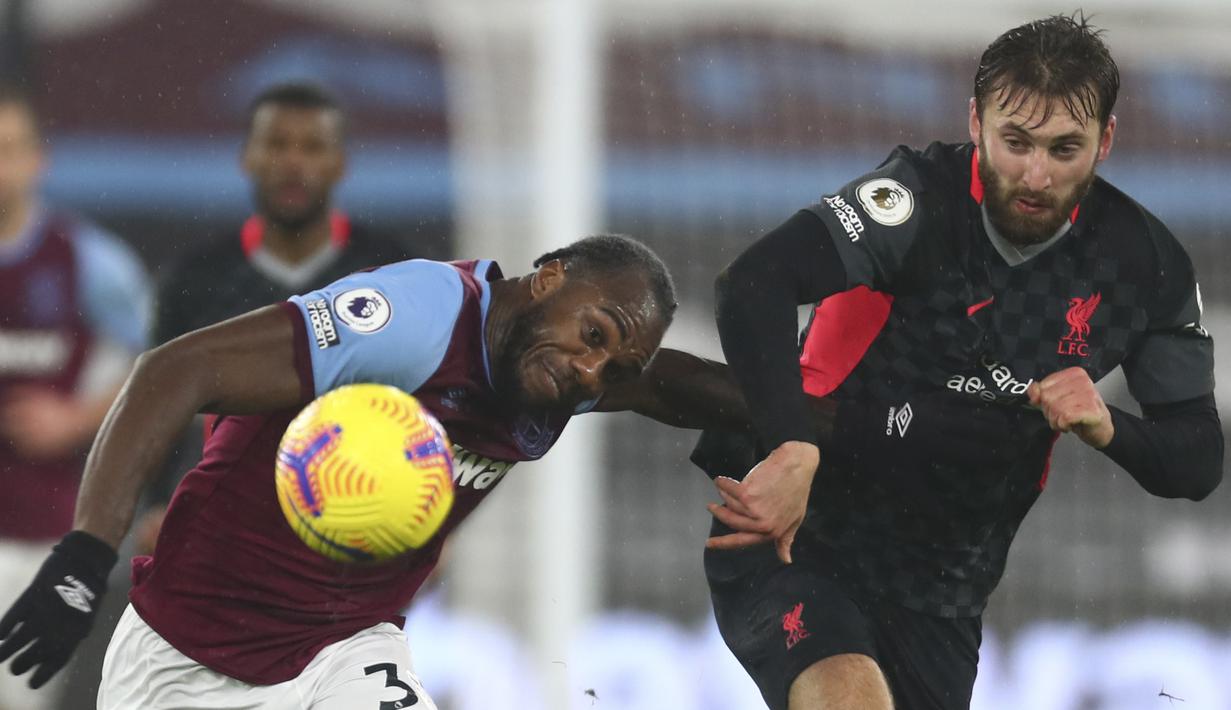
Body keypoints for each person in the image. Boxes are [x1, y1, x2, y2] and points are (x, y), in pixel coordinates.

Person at [696, 14, 1223, 710]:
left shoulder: (1142, 265)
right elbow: (752, 284)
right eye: (1016, 142)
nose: (1035, 174)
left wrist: (1108, 427)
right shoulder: (915, 202)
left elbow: (1196, 461)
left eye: (1064, 149)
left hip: (943, 593)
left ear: (1106, 140)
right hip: (800, 533)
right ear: (975, 122)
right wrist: (792, 445)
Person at [0, 234, 741, 708]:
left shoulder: (566, 374)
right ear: (546, 279)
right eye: (593, 335)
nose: (592, 370)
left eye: (614, 366)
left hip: (344, 649)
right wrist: (85, 555)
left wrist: (802, 431)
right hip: (191, 657)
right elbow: (174, 370)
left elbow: (686, 386)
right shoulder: (417, 318)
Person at [0, 86, 151, 710]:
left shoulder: (88, 261)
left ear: (38, 159)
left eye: (8, 149)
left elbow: (160, 364)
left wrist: (77, 419)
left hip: (39, 529)